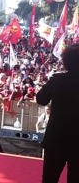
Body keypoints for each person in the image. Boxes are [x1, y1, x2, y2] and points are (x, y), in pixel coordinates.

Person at [36, 43, 79, 183]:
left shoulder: (57, 80)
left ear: (65, 61)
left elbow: (41, 99)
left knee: (49, 179)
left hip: (56, 139)